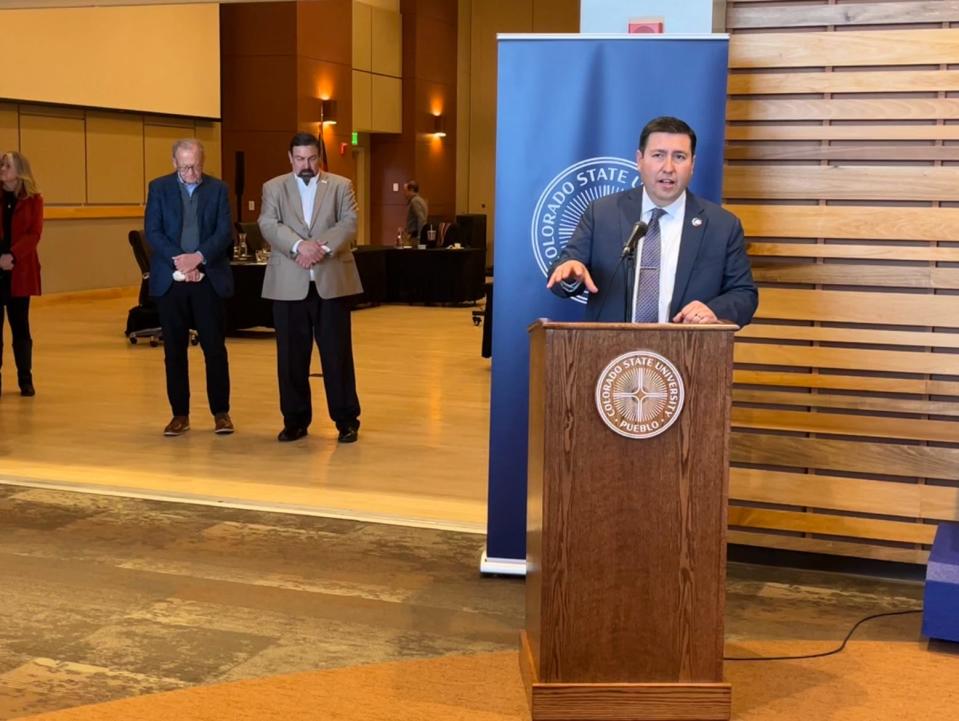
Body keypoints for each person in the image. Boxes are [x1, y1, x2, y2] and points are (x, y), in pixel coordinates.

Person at [547, 116, 757, 327]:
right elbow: (563, 275)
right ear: (640, 160)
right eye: (658, 155)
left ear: (692, 164)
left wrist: (713, 310)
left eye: (680, 157)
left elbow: (745, 295)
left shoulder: (722, 226)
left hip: (685, 353)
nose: (668, 167)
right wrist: (570, 273)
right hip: (610, 353)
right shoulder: (602, 213)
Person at [258, 132, 362, 443]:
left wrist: (320, 248)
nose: (306, 165)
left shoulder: (341, 185)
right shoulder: (273, 187)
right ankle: (295, 420)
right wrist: (299, 246)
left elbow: (349, 223)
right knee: (291, 357)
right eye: (300, 159)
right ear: (290, 158)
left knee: (337, 355)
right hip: (288, 284)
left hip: (331, 282)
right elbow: (268, 224)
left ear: (320, 157)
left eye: (312, 158)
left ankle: (346, 420)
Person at [144, 139, 235, 436]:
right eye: (185, 166)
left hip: (208, 279)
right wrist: (180, 262)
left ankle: (221, 413)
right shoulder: (158, 188)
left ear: (203, 161)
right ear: (174, 163)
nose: (191, 171)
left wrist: (198, 259)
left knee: (214, 349)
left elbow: (223, 232)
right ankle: (179, 414)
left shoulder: (218, 189)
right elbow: (153, 231)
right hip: (171, 281)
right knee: (174, 351)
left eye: (196, 165)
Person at [0, 151, 42, 397]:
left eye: (7, 165)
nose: (2, 169)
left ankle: (25, 378)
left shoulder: (34, 199)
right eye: (1, 165)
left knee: (20, 327)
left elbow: (34, 234)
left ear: (20, 171)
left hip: (19, 269)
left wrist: (12, 256)